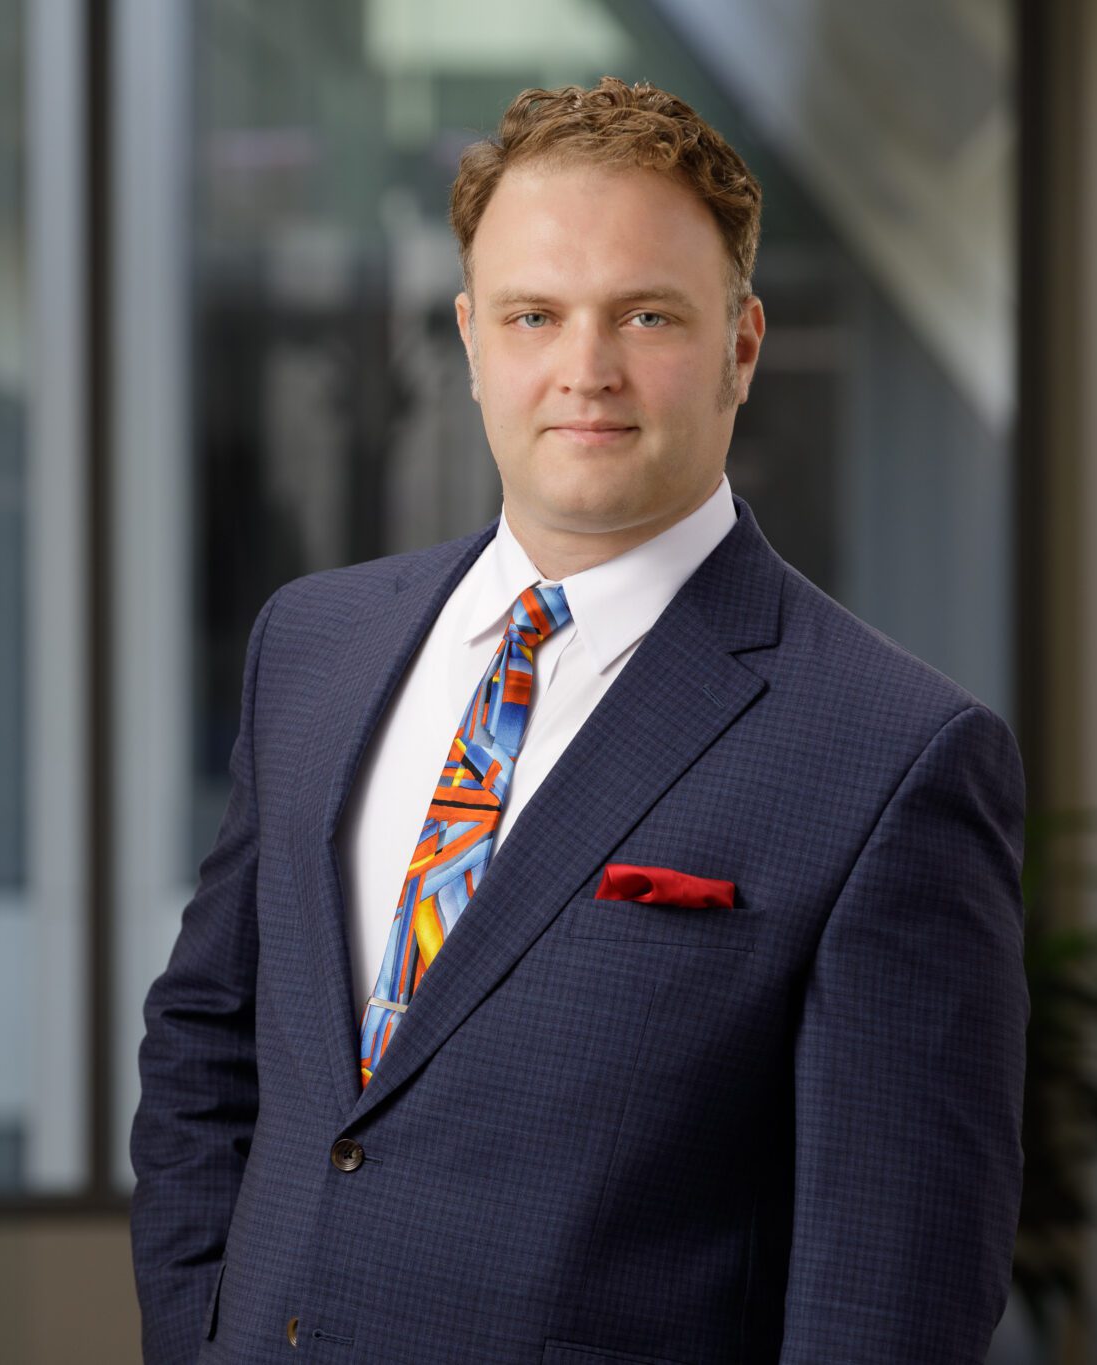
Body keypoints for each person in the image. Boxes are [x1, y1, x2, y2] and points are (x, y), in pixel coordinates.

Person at [130, 76, 1028, 1364]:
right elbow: (208, 1044)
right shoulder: (313, 647)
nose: (584, 371)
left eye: (647, 315)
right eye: (534, 314)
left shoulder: (896, 759)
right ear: (471, 338)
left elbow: (887, 1303)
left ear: (743, 347)